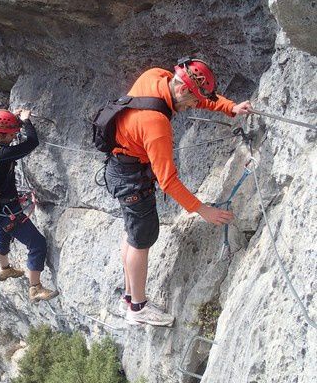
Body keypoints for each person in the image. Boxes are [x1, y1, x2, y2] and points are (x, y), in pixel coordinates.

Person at [105, 58, 253, 326]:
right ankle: (137, 307)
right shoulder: (156, 124)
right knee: (142, 238)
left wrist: (230, 107)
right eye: (192, 102)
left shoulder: (156, 76)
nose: (192, 108)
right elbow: (169, 181)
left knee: (132, 233)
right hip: (132, 181)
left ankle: (128, 296)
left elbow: (202, 96)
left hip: (120, 168)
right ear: (184, 89)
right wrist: (203, 210)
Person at [0, 109, 59, 302]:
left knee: (2, 233)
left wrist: (14, 119)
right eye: (13, 132)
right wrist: (26, 122)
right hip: (8, 211)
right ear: (1, 134)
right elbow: (32, 143)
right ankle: (35, 288)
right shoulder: (2, 154)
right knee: (37, 244)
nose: (16, 134)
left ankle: (5, 268)